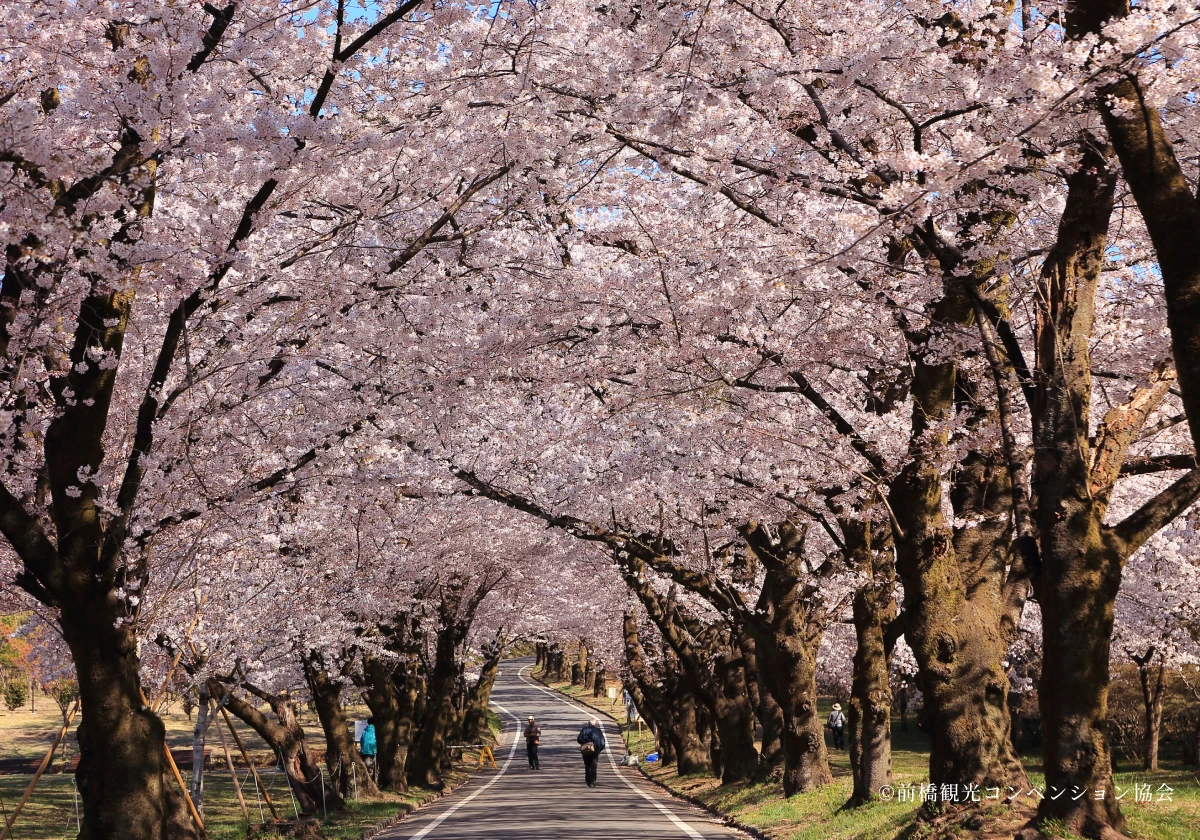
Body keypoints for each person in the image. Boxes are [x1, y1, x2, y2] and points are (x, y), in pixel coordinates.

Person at [577, 716, 606, 787]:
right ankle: (592, 781)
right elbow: (602, 743)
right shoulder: (598, 731)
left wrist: (585, 744)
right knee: (593, 765)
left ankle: (588, 780)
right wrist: (599, 750)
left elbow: (579, 739)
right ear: (595, 724)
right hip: (595, 750)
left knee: (587, 765)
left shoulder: (584, 730)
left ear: (588, 723)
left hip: (585, 750)